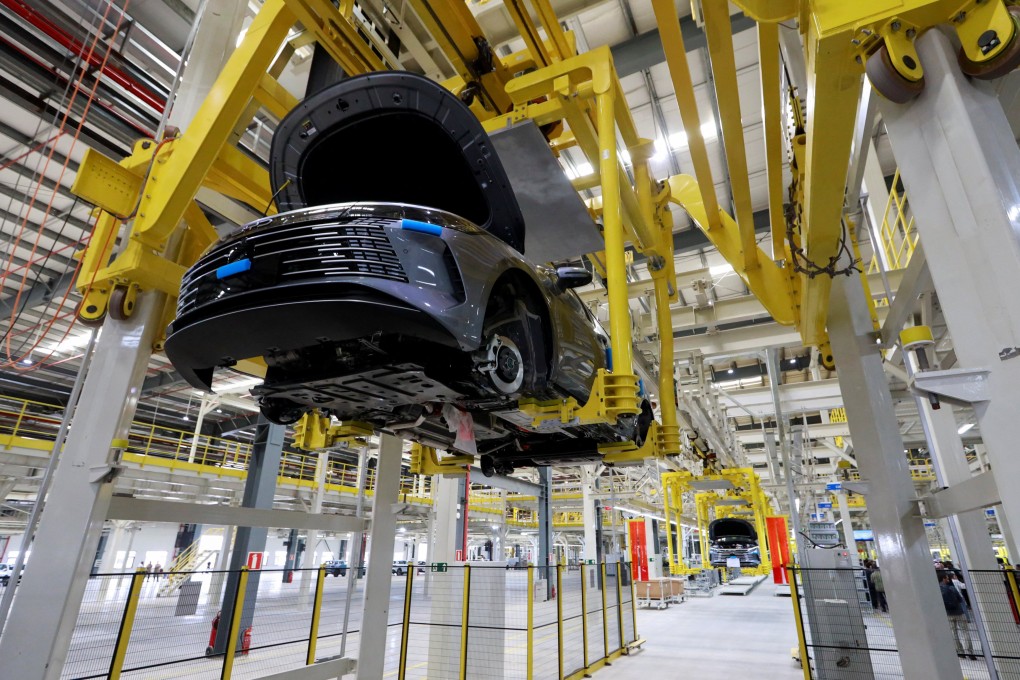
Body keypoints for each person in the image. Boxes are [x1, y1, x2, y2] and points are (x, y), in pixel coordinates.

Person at [941, 573, 976, 659]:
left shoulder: (938, 589)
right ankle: (970, 652)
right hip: (959, 612)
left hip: (948, 614)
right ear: (944, 579)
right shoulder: (952, 588)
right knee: (965, 631)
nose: (948, 579)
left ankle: (960, 652)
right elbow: (960, 599)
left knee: (954, 633)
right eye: (947, 578)